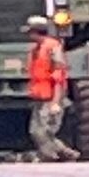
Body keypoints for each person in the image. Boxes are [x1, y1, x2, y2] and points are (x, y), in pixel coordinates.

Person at [25, 14, 70, 161]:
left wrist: (55, 102)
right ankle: (65, 153)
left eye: (30, 32)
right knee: (36, 130)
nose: (28, 36)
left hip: (51, 97)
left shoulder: (52, 48)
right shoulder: (36, 50)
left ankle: (50, 156)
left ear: (35, 32)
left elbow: (58, 77)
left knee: (42, 131)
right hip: (40, 97)